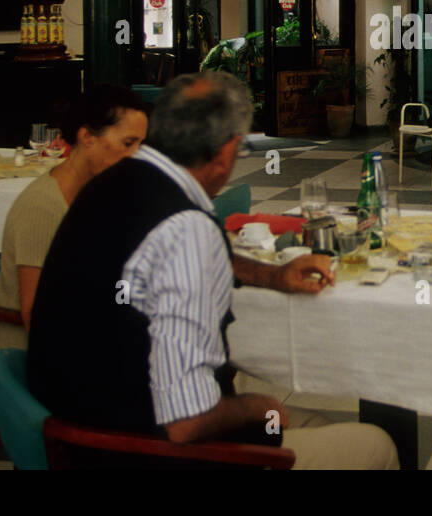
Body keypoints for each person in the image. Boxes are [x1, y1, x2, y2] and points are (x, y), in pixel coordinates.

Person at [28, 72, 398, 468]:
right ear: (226, 152)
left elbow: (161, 255)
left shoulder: (112, 182)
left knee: (318, 425)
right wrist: (257, 406)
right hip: (141, 448)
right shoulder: (186, 227)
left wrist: (271, 275)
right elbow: (187, 422)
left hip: (78, 430)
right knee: (376, 445)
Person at [0, 84, 147, 353]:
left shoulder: (101, 193)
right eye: (128, 143)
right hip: (39, 359)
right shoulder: (42, 207)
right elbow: (38, 319)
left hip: (88, 334)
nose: (136, 156)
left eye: (140, 145)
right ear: (87, 136)